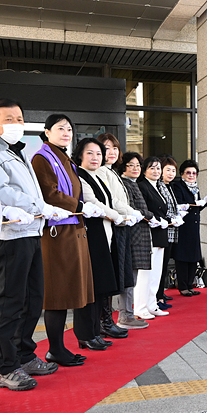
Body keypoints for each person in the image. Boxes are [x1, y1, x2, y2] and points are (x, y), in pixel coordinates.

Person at [0, 98, 69, 391]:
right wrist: (36, 206)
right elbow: (1, 190)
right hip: (10, 235)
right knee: (11, 303)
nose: (16, 124)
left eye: (19, 118)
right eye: (9, 119)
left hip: (31, 231)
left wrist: (43, 208)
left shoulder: (15, 151)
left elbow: (28, 190)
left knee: (33, 299)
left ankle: (25, 354)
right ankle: (6, 367)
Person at [31, 114, 104, 366]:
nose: (66, 132)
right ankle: (55, 349)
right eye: (60, 128)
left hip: (73, 230)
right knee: (58, 294)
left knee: (71, 292)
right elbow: (49, 193)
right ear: (47, 132)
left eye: (70, 129)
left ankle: (61, 346)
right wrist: (79, 205)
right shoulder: (42, 158)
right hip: (57, 233)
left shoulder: (64, 157)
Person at [74, 137, 127, 345]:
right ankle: (86, 335)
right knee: (90, 289)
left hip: (104, 235)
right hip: (90, 235)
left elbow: (110, 201)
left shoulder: (96, 175)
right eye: (90, 153)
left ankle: (95, 331)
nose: (96, 157)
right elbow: (92, 202)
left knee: (99, 288)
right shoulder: (80, 175)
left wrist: (121, 215)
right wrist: (116, 216)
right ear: (80, 155)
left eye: (98, 153)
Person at [95, 135, 144, 333]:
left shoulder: (111, 171)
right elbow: (112, 200)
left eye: (115, 147)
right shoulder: (100, 171)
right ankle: (108, 321)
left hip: (120, 224)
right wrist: (130, 213)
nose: (112, 152)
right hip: (112, 224)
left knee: (120, 272)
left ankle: (111, 320)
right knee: (113, 274)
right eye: (106, 148)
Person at [117, 152, 155, 328]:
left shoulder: (132, 183)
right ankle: (125, 315)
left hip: (138, 234)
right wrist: (150, 215)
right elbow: (133, 209)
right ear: (123, 166)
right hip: (133, 235)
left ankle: (128, 314)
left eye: (138, 165)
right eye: (131, 165)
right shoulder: (125, 184)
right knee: (129, 279)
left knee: (133, 278)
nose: (135, 168)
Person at [135, 156, 172, 319]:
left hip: (160, 232)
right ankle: (140, 307)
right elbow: (143, 209)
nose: (156, 171)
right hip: (148, 232)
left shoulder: (158, 186)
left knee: (156, 272)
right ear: (144, 171)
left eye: (158, 168)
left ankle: (152, 304)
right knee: (146, 274)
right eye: (152, 168)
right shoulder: (142, 186)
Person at [171, 159, 207, 296]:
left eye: (194, 173)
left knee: (194, 257)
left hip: (194, 226)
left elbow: (196, 208)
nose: (191, 175)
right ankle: (182, 286)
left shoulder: (195, 188)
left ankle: (190, 284)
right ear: (182, 174)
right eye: (188, 173)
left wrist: (205, 202)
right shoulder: (178, 186)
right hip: (183, 226)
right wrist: (196, 203)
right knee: (182, 256)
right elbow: (181, 204)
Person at [155, 156, 182, 310]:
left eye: (173, 170)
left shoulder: (170, 186)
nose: (171, 173)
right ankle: (157, 296)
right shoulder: (159, 186)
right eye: (167, 170)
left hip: (172, 230)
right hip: (164, 230)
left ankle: (160, 293)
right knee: (160, 264)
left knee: (164, 265)